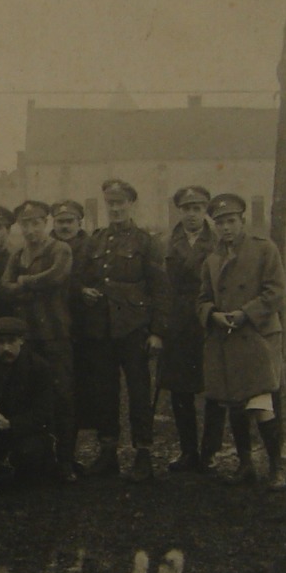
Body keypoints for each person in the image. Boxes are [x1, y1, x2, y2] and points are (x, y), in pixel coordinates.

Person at [74, 178, 166, 480]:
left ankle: (143, 453)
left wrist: (156, 332)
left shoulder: (145, 241)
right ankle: (108, 452)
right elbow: (81, 277)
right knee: (105, 390)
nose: (115, 208)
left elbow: (159, 289)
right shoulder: (95, 240)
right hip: (101, 329)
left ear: (131, 204)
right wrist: (83, 290)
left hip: (134, 327)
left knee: (139, 392)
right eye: (110, 203)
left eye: (120, 202)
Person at [198, 192, 286, 488]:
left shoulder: (264, 250)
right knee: (234, 402)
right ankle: (246, 464)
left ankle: (276, 468)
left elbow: (275, 291)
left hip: (258, 336)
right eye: (220, 222)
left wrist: (245, 313)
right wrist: (212, 315)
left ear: (242, 221)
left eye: (231, 221)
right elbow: (203, 299)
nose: (226, 228)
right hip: (227, 338)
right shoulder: (212, 259)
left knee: (262, 401)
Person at [0, 200, 78, 481]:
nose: (31, 229)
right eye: (25, 224)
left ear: (46, 222)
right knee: (30, 397)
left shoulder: (60, 248)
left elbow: (56, 276)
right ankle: (38, 459)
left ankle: (67, 461)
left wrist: (24, 282)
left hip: (55, 334)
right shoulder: (18, 253)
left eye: (36, 223)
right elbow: (4, 288)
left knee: (62, 397)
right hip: (28, 336)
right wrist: (29, 285)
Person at [157, 186, 225, 473]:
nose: (192, 214)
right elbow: (160, 287)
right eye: (187, 209)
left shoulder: (219, 241)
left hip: (209, 321)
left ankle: (209, 451)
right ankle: (188, 451)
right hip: (177, 325)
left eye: (197, 208)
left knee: (215, 388)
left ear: (206, 210)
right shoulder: (165, 242)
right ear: (179, 211)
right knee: (180, 390)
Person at [0, 316, 62, 490]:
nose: (6, 348)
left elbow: (44, 412)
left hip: (21, 428)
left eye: (11, 341)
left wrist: (11, 424)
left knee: (30, 456)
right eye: (0, 342)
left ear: (21, 341)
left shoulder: (38, 367)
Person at [52, 199, 94, 446]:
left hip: (83, 325)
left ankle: (77, 443)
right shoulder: (46, 247)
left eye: (70, 221)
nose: (65, 227)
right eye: (60, 221)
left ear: (80, 223)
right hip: (55, 325)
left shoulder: (90, 247)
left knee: (83, 385)